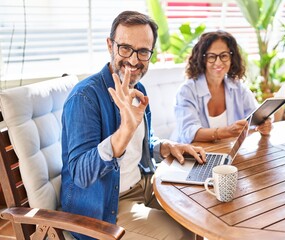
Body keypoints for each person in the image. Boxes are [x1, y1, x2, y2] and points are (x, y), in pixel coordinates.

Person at [60, 11, 205, 240]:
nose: (134, 60)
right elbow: (81, 174)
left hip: (144, 185)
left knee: (197, 215)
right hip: (105, 205)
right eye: (125, 48)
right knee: (179, 234)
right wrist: (124, 132)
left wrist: (166, 146)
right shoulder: (85, 98)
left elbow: (144, 144)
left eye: (143, 51)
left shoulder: (139, 90)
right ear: (110, 45)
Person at [172, 30, 272, 144]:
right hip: (189, 155)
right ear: (202, 59)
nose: (218, 62)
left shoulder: (238, 87)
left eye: (224, 56)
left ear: (231, 58)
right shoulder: (187, 91)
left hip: (224, 151)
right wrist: (226, 132)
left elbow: (256, 115)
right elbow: (188, 132)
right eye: (211, 56)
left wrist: (264, 124)